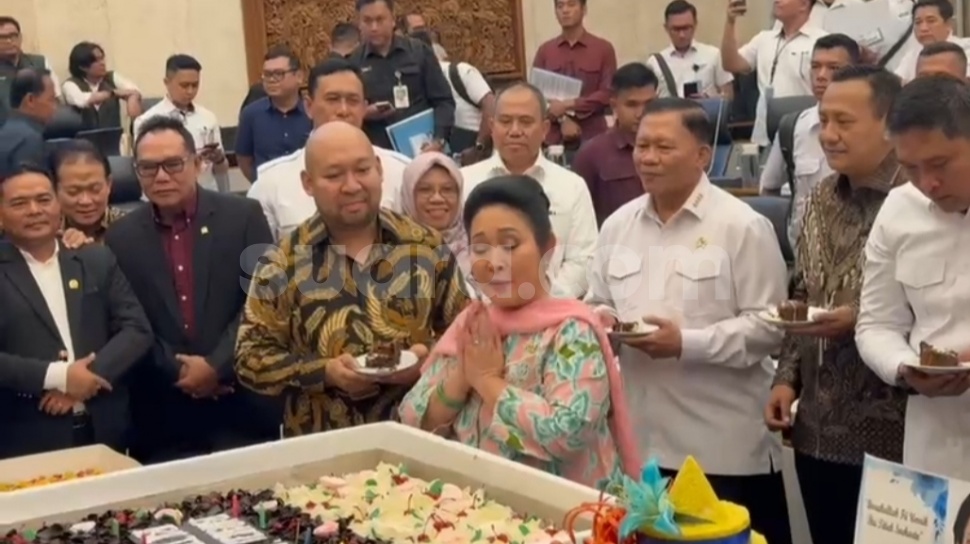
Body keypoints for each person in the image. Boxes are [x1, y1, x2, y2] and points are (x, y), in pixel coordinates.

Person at [588, 97, 790, 544]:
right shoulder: (617, 226)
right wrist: (604, 322)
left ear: (702, 155)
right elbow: (598, 299)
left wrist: (686, 343)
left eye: (663, 147)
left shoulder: (742, 226)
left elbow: (770, 327)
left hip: (722, 448)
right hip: (642, 447)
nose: (648, 158)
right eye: (642, 146)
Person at [399, 175, 638, 489]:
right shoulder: (472, 324)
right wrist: (461, 377)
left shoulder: (571, 331)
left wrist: (488, 382)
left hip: (558, 511)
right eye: (480, 248)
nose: (494, 262)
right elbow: (412, 418)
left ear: (547, 248)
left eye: (510, 245)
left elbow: (568, 433)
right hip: (475, 507)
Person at [236, 122, 468, 435]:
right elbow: (250, 358)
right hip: (324, 443)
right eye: (334, 176)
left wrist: (424, 358)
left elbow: (466, 332)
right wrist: (324, 373)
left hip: (419, 437)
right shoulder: (283, 260)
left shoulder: (425, 245)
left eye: (362, 170)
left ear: (379, 170)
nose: (352, 186)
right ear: (308, 183)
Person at [765, 65, 906, 544]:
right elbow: (803, 294)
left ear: (889, 123)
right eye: (823, 120)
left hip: (895, 435)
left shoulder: (918, 199)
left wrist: (858, 321)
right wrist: (785, 379)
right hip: (818, 428)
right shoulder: (821, 197)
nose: (828, 134)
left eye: (844, 122)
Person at [104, 115, 275, 463]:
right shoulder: (121, 237)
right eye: (148, 167)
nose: (161, 176)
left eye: (173, 164)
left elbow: (266, 300)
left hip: (241, 399)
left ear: (197, 164)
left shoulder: (244, 215)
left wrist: (215, 366)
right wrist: (181, 371)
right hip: (163, 412)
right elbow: (128, 321)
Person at [856, 74, 970, 481]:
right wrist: (904, 367)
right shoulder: (899, 209)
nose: (928, 184)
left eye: (939, 164)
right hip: (935, 443)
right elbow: (876, 323)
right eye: (910, 169)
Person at [0, 164, 151, 459]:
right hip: (25, 439)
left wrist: (85, 380)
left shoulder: (95, 258)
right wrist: (59, 376)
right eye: (19, 203)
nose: (34, 210)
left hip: (106, 431)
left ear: (58, 204)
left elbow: (136, 329)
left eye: (44, 199)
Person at [249, 58, 411, 240]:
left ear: (365, 108)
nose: (343, 110)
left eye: (353, 100)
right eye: (332, 100)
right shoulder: (271, 183)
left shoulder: (400, 172)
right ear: (309, 106)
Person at [461, 83, 597, 299]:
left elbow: (584, 258)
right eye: (506, 121)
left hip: (553, 309)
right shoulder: (464, 182)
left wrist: (543, 300)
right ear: (492, 127)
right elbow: (458, 255)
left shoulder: (571, 186)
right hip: (481, 311)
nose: (515, 131)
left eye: (525, 122)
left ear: (544, 129)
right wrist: (488, 303)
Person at [759, 33, 861, 250]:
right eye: (815, 66)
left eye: (834, 68)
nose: (821, 76)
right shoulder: (793, 126)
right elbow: (769, 188)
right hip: (806, 252)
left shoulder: (872, 127)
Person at [350, 0, 456, 151]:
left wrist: (439, 139)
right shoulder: (353, 63)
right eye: (367, 21)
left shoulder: (418, 52)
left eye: (380, 19)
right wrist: (365, 113)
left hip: (424, 148)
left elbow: (444, 101)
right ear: (359, 24)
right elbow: (346, 112)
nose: (374, 27)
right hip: (379, 153)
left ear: (392, 20)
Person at [720, 0, 827, 147]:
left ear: (804, 4)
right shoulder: (763, 39)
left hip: (803, 135)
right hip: (763, 137)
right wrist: (730, 22)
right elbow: (731, 64)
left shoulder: (821, 42)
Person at [573, 62, 658, 226]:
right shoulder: (592, 155)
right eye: (632, 105)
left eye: (649, 104)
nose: (641, 113)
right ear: (614, 105)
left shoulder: (673, 148)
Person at [135, 54, 229, 192]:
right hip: (167, 192)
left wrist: (219, 159)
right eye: (184, 85)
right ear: (167, 82)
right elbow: (144, 168)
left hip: (206, 191)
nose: (190, 91)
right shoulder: (146, 121)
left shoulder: (208, 117)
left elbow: (222, 169)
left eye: (195, 85)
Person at [533, 0, 617, 148]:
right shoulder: (545, 51)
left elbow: (607, 93)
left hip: (593, 135)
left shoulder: (603, 49)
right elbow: (535, 95)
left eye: (571, 5)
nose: (565, 10)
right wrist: (563, 119)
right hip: (553, 138)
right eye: (560, 6)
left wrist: (569, 105)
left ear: (584, 9)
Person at [236, 47, 313, 181]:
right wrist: (260, 184)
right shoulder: (251, 114)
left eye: (278, 74)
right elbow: (244, 159)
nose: (271, 80)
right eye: (267, 74)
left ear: (299, 76)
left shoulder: (312, 111)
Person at [399, 152, 469, 275]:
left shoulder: (480, 243)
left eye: (447, 189)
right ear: (408, 196)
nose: (437, 199)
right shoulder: (392, 254)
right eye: (425, 190)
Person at [647, 0, 734, 99]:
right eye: (676, 29)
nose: (682, 35)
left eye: (686, 28)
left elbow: (729, 95)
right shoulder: (654, 63)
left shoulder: (713, 55)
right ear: (666, 28)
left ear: (695, 25)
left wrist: (708, 99)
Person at [48, 139, 126, 245]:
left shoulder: (130, 228)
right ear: (54, 189)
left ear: (108, 184)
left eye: (95, 190)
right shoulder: (45, 232)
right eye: (73, 192)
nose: (86, 201)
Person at [62, 41, 142, 131]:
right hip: (84, 138)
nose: (102, 63)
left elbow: (134, 91)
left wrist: (132, 98)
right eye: (96, 61)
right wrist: (112, 93)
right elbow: (82, 100)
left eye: (102, 58)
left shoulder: (111, 77)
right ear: (83, 67)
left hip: (113, 136)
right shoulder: (70, 84)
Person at [0, 68, 58, 178]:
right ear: (30, 100)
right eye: (51, 99)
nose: (55, 107)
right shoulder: (31, 140)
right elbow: (32, 187)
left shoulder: (4, 130)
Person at [0, 16, 60, 117]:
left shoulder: (41, 62)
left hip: (40, 123)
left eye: (13, 36)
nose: (9, 41)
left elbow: (55, 98)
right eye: (2, 38)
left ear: (20, 38)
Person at [894, 0, 967, 82]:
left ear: (948, 24)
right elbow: (898, 83)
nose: (923, 28)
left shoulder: (966, 49)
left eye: (931, 21)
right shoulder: (912, 55)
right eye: (918, 22)